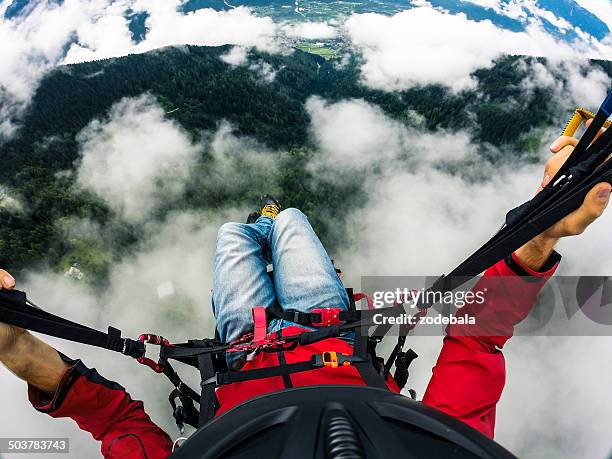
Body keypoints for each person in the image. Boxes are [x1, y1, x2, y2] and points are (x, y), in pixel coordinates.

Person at [0, 130, 610, 458]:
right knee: (290, 217)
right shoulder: (440, 449)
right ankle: (272, 218)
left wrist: (16, 346)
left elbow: (113, 420)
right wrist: (539, 235)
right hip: (332, 326)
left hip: (245, 342)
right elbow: (477, 340)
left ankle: (257, 222)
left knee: (232, 234)